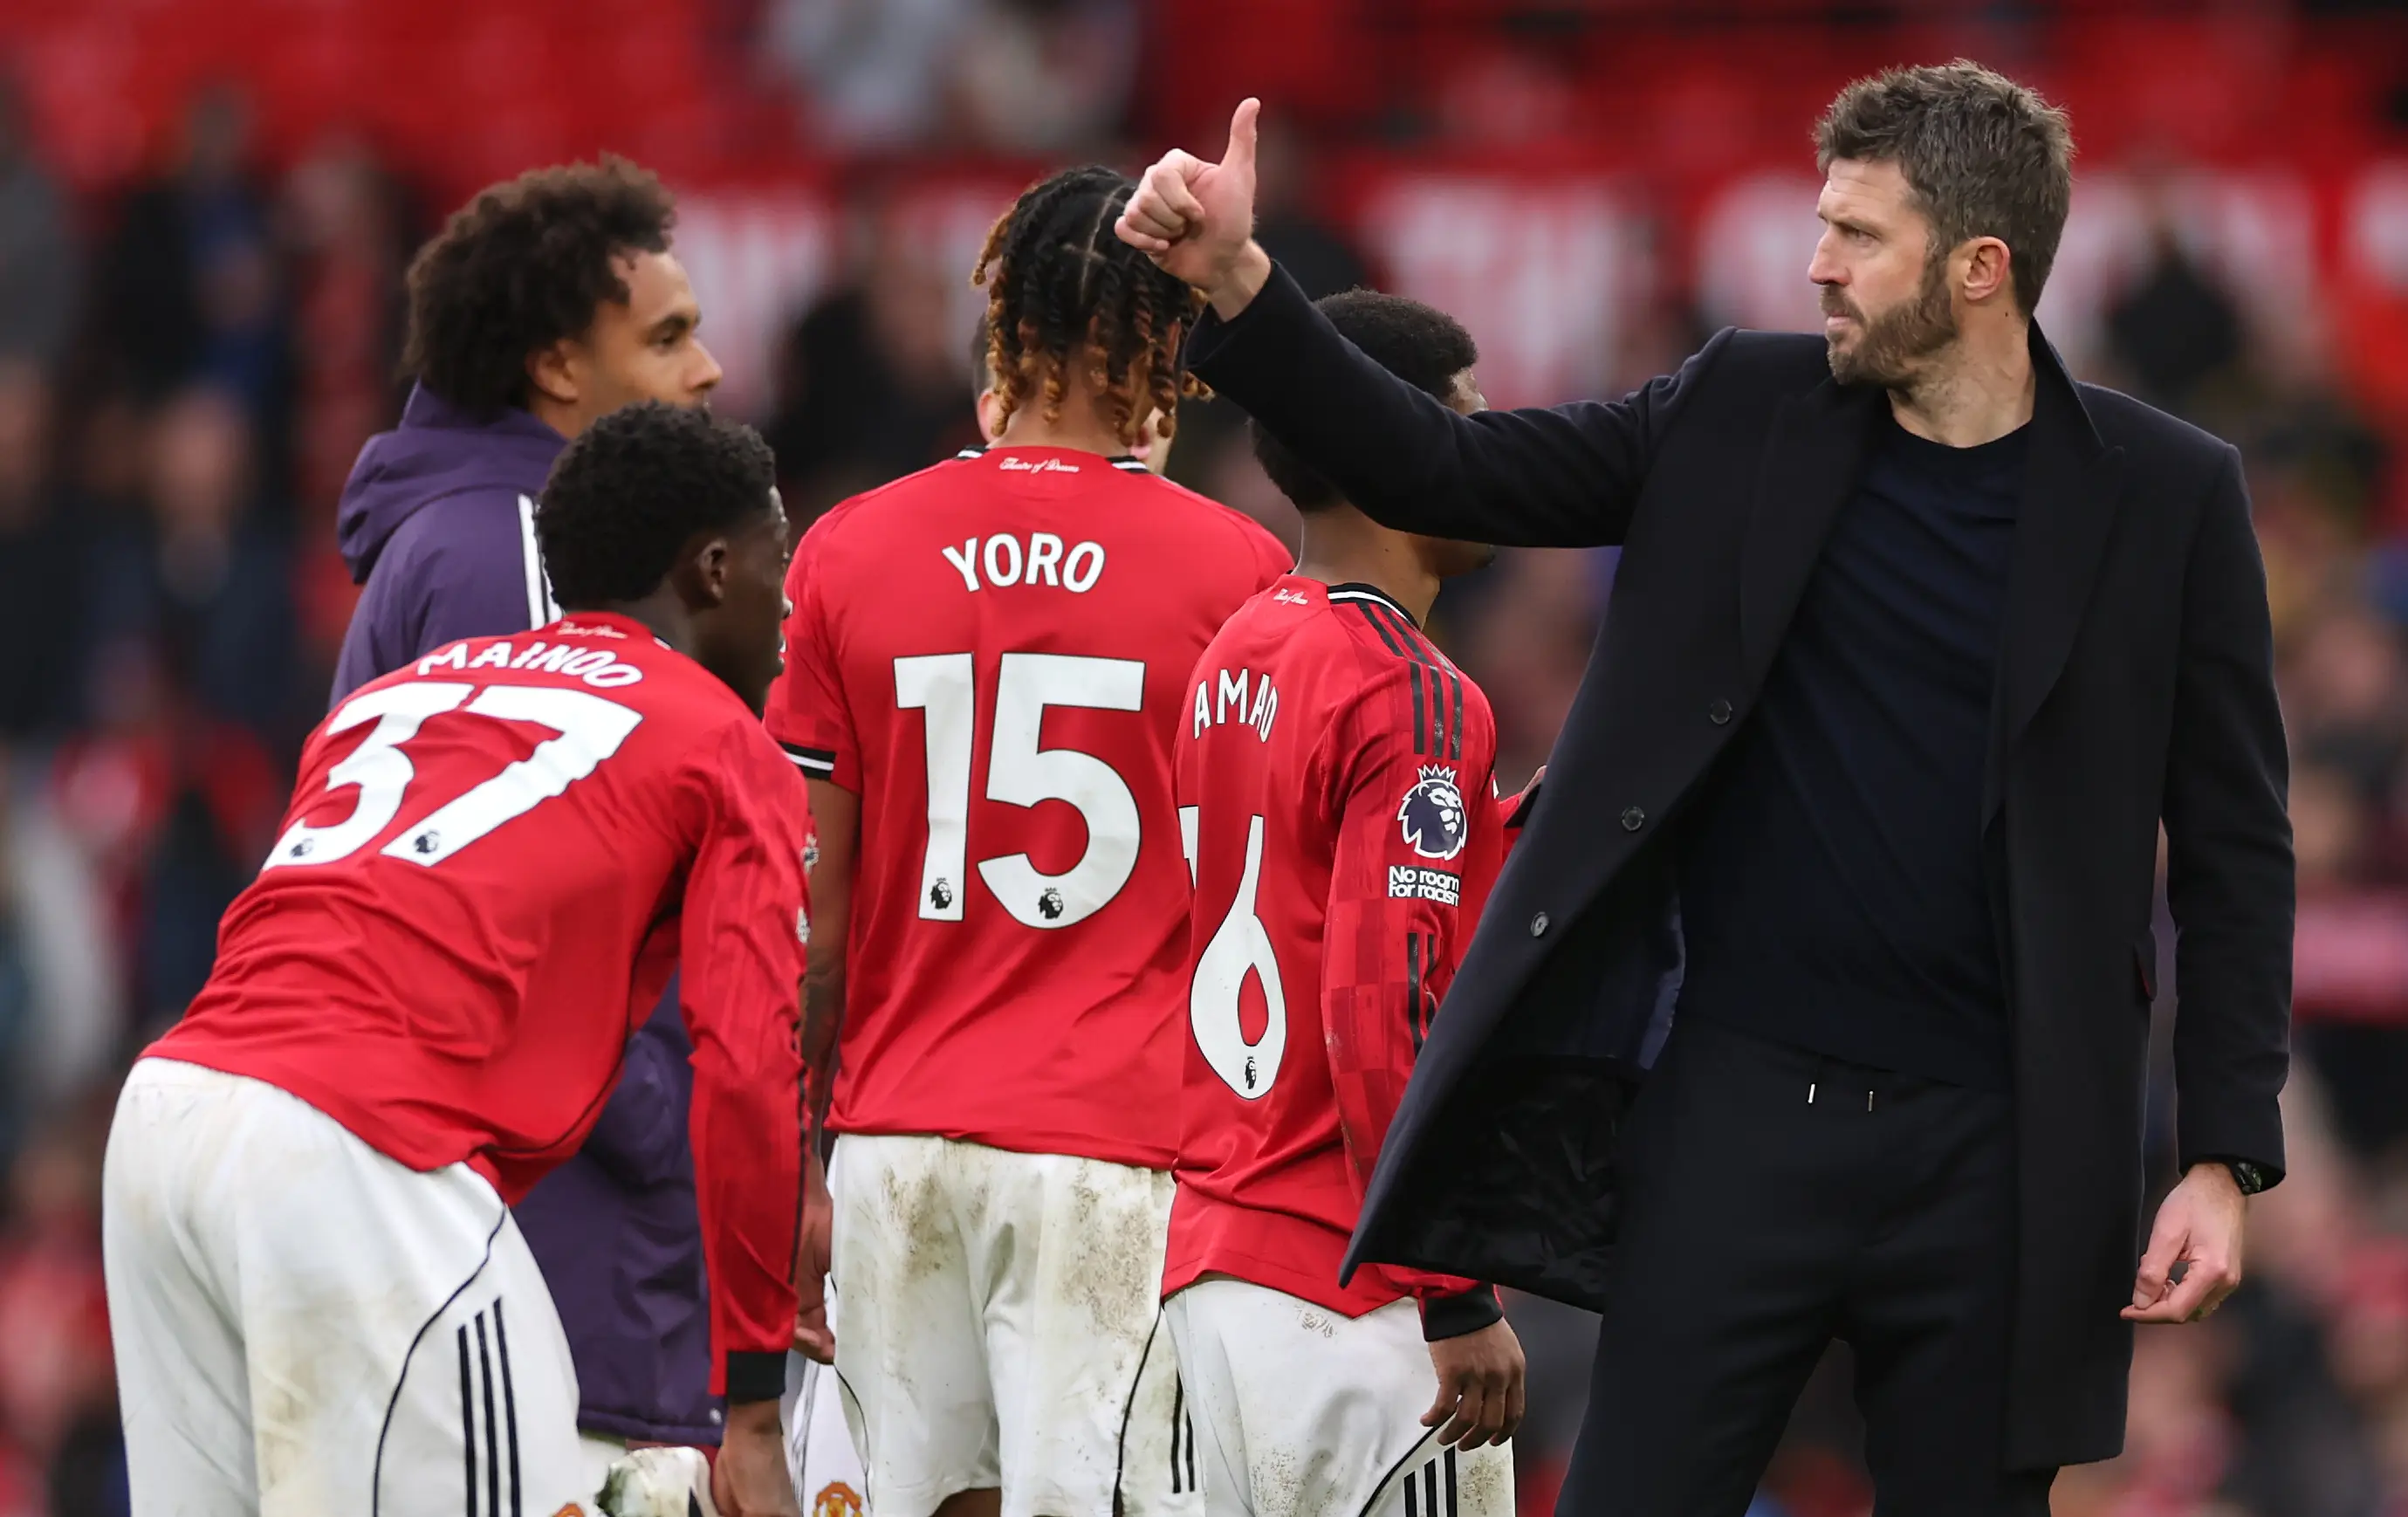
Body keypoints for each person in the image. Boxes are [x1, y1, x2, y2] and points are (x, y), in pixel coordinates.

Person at [1120, 63, 2293, 1514]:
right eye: (1819, 224)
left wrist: (2222, 1154)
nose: (1816, 263)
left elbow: (2236, 839)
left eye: (1858, 236)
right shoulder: (1742, 408)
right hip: (1740, 1110)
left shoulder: (2162, 493)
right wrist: (1241, 283)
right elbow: (1445, 467)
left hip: (2002, 1149)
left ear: (1980, 269)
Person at [101, 402, 808, 1517]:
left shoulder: (390, 699)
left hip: (166, 1120)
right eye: (782, 560)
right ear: (714, 570)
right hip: (363, 1149)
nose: (790, 605)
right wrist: (756, 1404)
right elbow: (747, 1070)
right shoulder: (723, 743)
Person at [770, 164, 1291, 1517]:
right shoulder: (1234, 569)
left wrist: (797, 1162)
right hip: (1110, 1151)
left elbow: (804, 927)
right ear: (1157, 338)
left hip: (894, 1141)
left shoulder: (844, 550)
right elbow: (1251, 910)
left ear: (999, 326)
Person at [330, 156, 734, 1483]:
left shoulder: (458, 534)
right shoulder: (516, 547)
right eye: (667, 337)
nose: (709, 368)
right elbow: (519, 916)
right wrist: (666, 1126)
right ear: (560, 370)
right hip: (538, 1224)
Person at [1164, 289, 1528, 1517]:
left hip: (1211, 1281)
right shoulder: (1411, 690)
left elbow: (1298, 895)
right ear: (1393, 439)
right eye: (1467, 419)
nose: (1492, 452)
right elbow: (1384, 1003)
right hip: (1359, 1302)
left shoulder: (1238, 648)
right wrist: (1453, 1290)